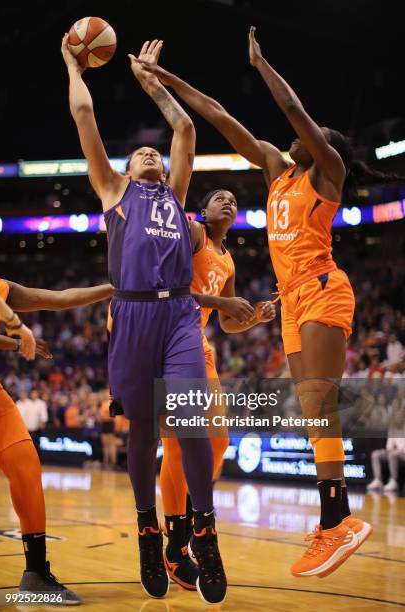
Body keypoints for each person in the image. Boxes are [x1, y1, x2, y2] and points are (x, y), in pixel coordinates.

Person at [137, 26, 404, 578]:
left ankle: (340, 519)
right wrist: (166, 79)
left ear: (324, 146)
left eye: (312, 134)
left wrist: (261, 65)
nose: (297, 136)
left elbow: (292, 107)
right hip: (290, 301)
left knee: (318, 401)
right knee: (311, 411)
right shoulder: (277, 172)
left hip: (324, 288)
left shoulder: (325, 173)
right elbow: (218, 115)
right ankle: (335, 522)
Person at [62, 36, 226, 604]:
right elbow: (83, 113)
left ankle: (203, 530)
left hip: (179, 312)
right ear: (127, 168)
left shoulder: (178, 196)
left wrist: (154, 86)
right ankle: (147, 532)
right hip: (130, 316)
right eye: (141, 155)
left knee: (188, 420)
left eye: (152, 155)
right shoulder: (114, 190)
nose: (151, 156)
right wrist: (71, 65)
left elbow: (184, 131)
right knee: (142, 431)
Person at [160, 189, 275, 589]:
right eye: (219, 198)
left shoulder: (228, 259)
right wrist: (222, 304)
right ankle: (174, 547)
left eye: (233, 200)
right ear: (203, 212)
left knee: (219, 440)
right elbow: (167, 289)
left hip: (200, 346)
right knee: (178, 443)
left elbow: (225, 322)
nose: (228, 201)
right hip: (169, 341)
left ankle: (192, 520)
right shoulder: (192, 234)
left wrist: (254, 318)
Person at [0, 277, 113, 603]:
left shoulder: (1, 287)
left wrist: (112, 287)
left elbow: (60, 297)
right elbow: (8, 318)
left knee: (26, 465)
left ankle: (35, 573)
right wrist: (16, 328)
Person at [367, 403, 405, 492]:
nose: (398, 418)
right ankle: (377, 479)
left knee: (393, 454)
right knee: (376, 454)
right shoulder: (392, 428)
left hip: (402, 454)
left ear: (403, 417)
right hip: (395, 453)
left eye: (400, 416)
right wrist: (388, 449)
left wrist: (395, 451)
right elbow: (389, 445)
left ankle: (393, 481)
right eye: (396, 416)